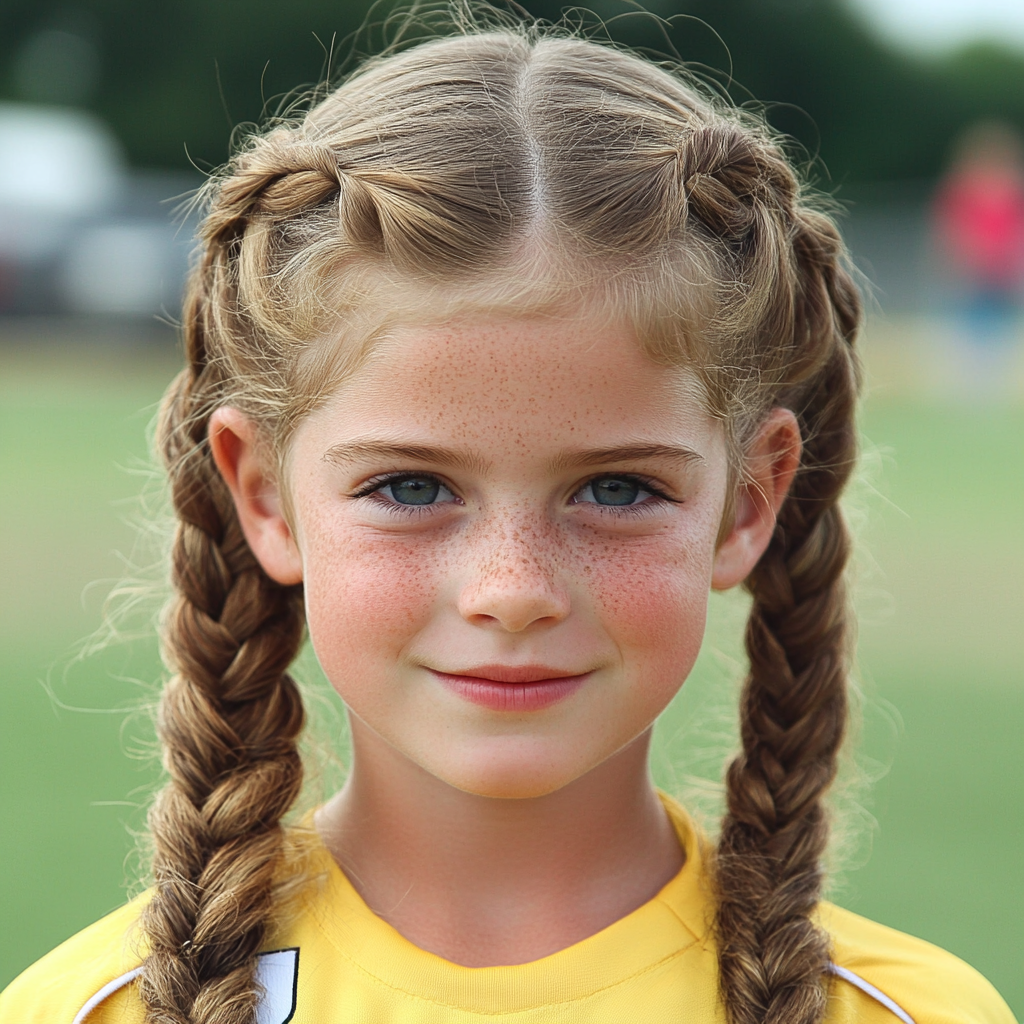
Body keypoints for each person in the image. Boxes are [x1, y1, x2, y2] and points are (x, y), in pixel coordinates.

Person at [0, 18, 1016, 1024]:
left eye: (616, 489)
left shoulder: (905, 1012)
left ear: (747, 501)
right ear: (263, 496)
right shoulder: (94, 1009)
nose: (513, 588)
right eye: (409, 486)